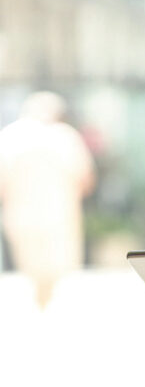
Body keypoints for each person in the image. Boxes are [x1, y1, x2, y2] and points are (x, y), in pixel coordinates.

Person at [0, 91, 96, 308]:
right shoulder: (66, 136)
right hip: (59, 214)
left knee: (32, 270)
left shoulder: (10, 136)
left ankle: (41, 306)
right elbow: (85, 179)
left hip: (21, 215)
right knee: (59, 272)